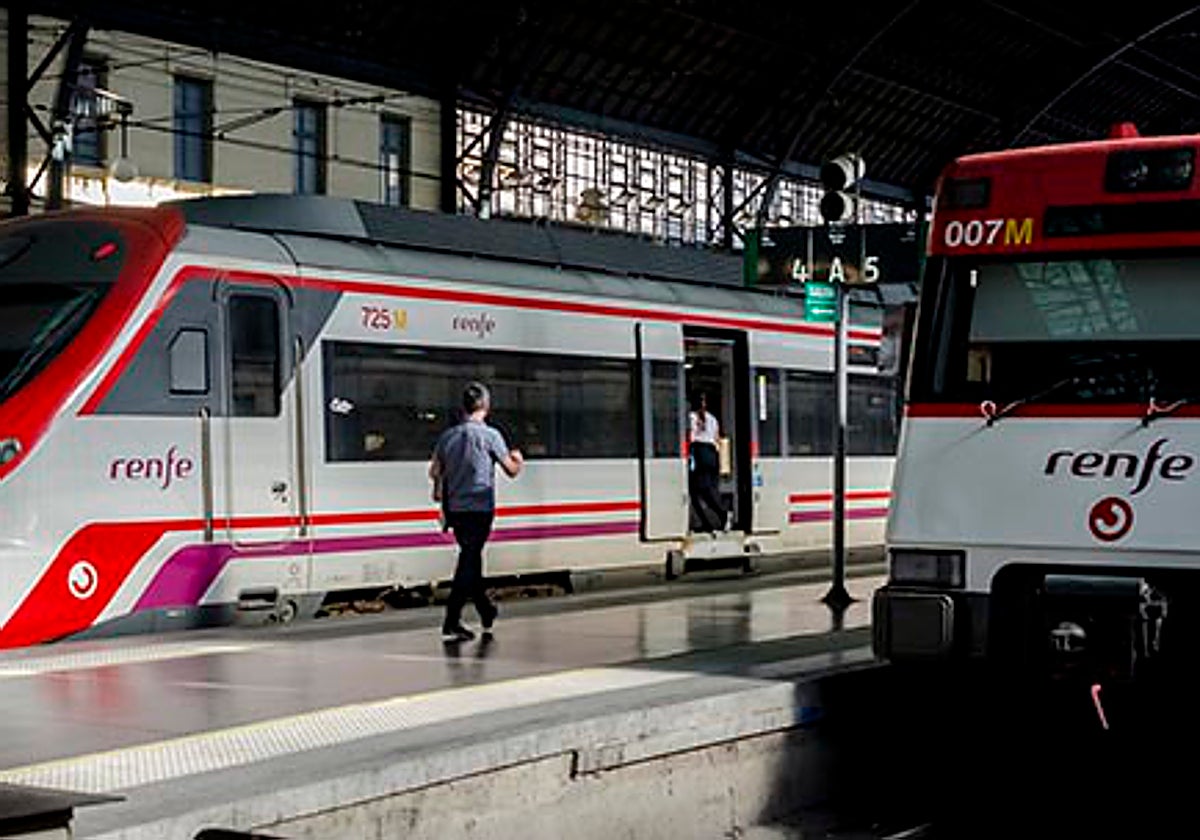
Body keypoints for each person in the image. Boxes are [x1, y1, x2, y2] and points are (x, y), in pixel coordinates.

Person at [429, 381, 523, 643]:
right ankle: (451, 620)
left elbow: (434, 471)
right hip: (480, 508)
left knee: (471, 558)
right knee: (469, 559)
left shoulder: (447, 436)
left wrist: (440, 491)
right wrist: (519, 460)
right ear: (485, 405)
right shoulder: (490, 435)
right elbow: (510, 470)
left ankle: (485, 609)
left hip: (456, 509)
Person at [687, 392, 728, 533]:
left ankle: (719, 515)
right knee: (710, 488)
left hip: (699, 453)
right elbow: (717, 438)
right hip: (713, 454)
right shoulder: (712, 418)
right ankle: (714, 518)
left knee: (695, 491)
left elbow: (689, 438)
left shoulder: (690, 417)